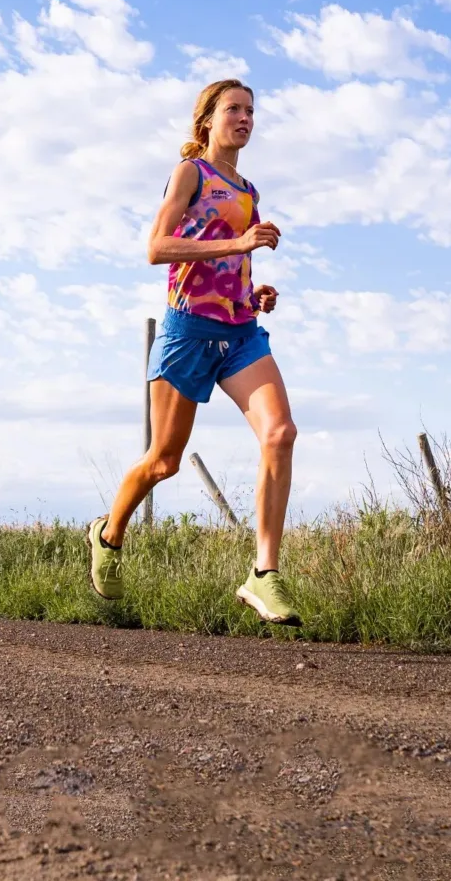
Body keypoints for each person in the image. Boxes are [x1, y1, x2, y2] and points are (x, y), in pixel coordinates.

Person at [89, 78, 301, 626]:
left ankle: (264, 574)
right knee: (164, 461)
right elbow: (157, 249)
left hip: (240, 332)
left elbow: (233, 267)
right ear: (207, 120)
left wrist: (256, 292)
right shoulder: (191, 173)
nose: (245, 117)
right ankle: (109, 534)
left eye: (252, 110)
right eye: (234, 108)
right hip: (187, 330)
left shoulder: (250, 191)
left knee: (280, 434)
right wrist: (238, 242)